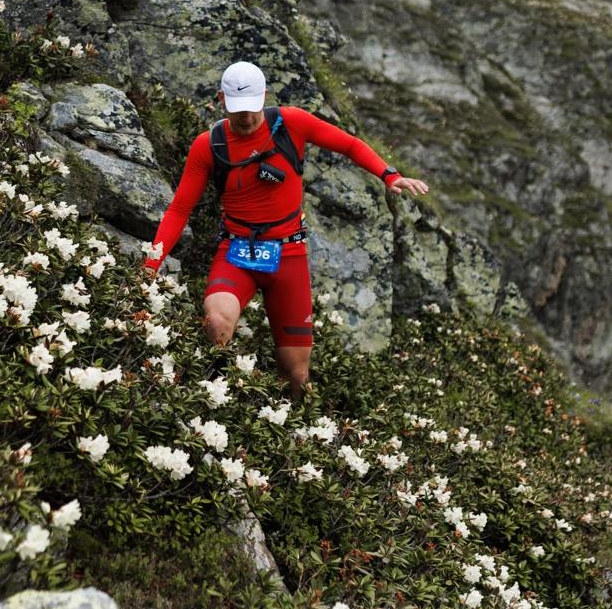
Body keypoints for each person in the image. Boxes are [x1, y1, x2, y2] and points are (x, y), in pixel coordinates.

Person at [143, 60, 429, 392]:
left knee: (296, 376)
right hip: (235, 252)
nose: (247, 117)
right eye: (238, 110)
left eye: (253, 107)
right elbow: (179, 210)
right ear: (222, 100)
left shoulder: (291, 123)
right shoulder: (208, 145)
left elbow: (349, 145)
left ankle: (279, 419)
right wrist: (151, 266)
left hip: (289, 255)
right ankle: (216, 394)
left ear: (264, 95)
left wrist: (389, 174)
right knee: (216, 320)